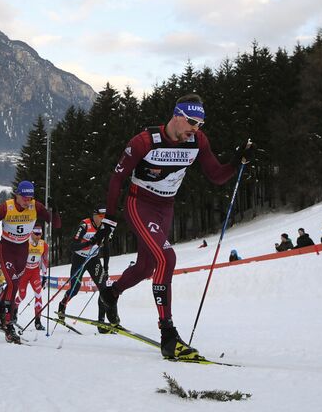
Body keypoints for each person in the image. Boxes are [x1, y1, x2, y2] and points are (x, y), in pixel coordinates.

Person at [96, 93, 254, 361]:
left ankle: (110, 294)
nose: (196, 128)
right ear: (177, 116)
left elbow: (216, 175)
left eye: (200, 124)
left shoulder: (198, 141)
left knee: (147, 266)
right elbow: (117, 177)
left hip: (166, 208)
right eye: (192, 121)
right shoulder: (144, 141)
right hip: (139, 204)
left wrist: (236, 162)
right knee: (166, 257)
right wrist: (110, 218)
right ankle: (168, 334)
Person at [0, 180, 61, 343]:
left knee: (15, 285)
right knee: (12, 284)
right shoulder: (6, 207)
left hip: (22, 251)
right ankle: (8, 322)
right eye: (24, 197)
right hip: (6, 249)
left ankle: (0, 308)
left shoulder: (36, 206)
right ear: (17, 195)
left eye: (30, 197)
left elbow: (56, 225)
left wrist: (55, 210)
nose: (27, 201)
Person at [57, 208, 110, 330]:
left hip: (93, 260)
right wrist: (89, 243)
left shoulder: (105, 228)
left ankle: (101, 323)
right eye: (101, 216)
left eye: (105, 216)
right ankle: (62, 304)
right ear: (94, 215)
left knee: (104, 289)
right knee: (75, 289)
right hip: (79, 259)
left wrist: (106, 268)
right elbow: (72, 246)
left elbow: (106, 249)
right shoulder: (84, 225)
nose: (103, 218)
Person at [15, 226, 49, 331]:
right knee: (22, 295)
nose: (38, 236)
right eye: (36, 234)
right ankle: (13, 312)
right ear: (31, 233)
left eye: (40, 234)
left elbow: (44, 260)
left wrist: (45, 275)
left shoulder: (43, 244)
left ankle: (38, 321)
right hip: (24, 271)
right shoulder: (25, 242)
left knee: (38, 294)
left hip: (35, 271)